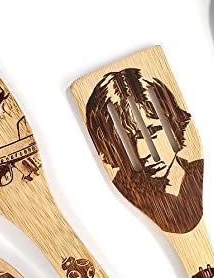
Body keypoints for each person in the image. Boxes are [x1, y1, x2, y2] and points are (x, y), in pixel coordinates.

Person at [85, 68, 203, 234]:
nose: (143, 153)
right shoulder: (120, 198)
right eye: (127, 141)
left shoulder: (202, 172)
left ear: (174, 122)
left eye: (152, 132)